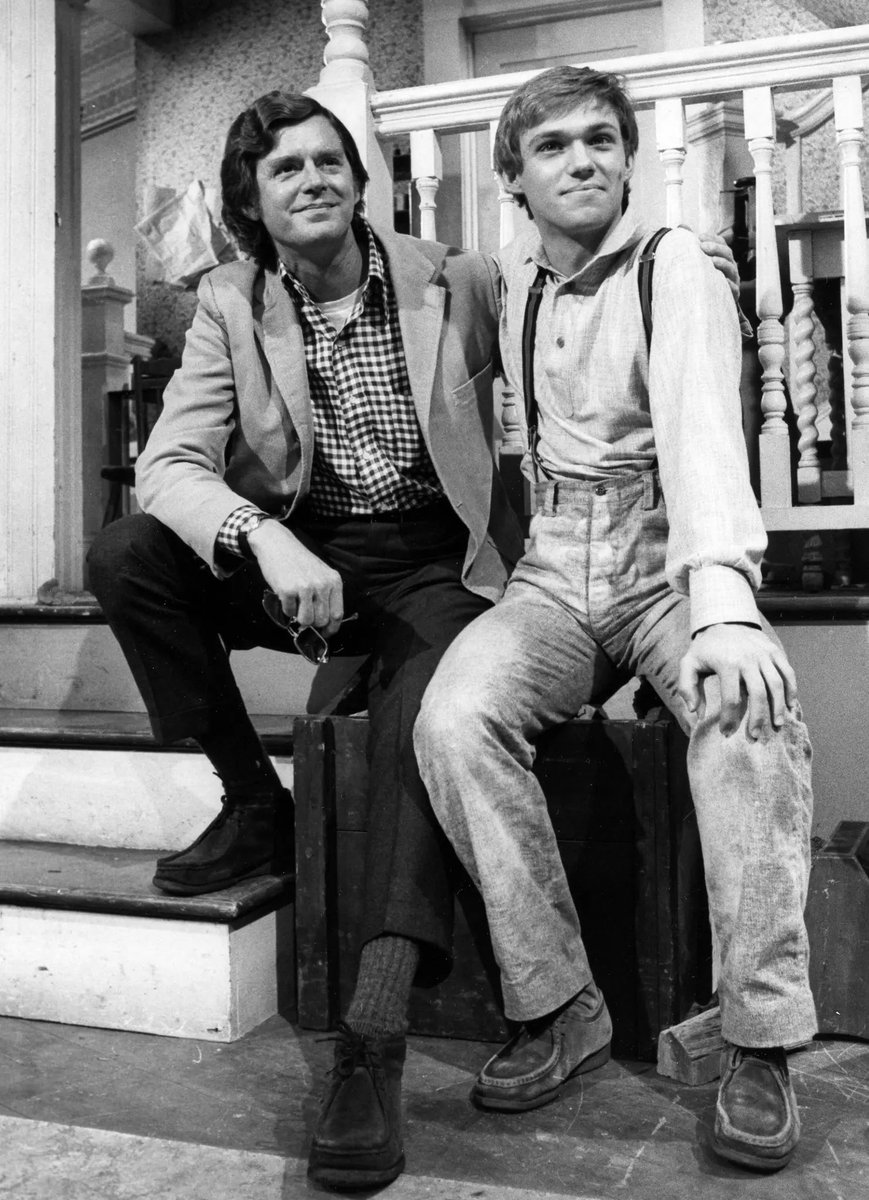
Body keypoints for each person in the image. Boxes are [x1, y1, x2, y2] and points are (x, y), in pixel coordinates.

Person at [87, 89, 739, 1191]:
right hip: (307, 561)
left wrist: (674, 273)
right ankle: (253, 801)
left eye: (327, 160)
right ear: (252, 204)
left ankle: (370, 1035)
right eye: (283, 170)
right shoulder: (227, 303)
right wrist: (261, 539)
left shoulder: (456, 276)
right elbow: (171, 467)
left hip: (439, 566)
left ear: (361, 175)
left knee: (417, 721)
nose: (313, 181)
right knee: (125, 556)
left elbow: (569, 338)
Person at [414, 65, 816, 1175]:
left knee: (744, 718)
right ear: (515, 177)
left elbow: (698, 431)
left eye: (599, 139)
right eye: (551, 147)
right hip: (551, 568)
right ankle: (560, 1004)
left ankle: (762, 1036)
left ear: (626, 157)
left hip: (661, 565)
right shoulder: (512, 282)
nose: (582, 160)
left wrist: (724, 605)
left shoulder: (672, 263)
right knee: (451, 720)